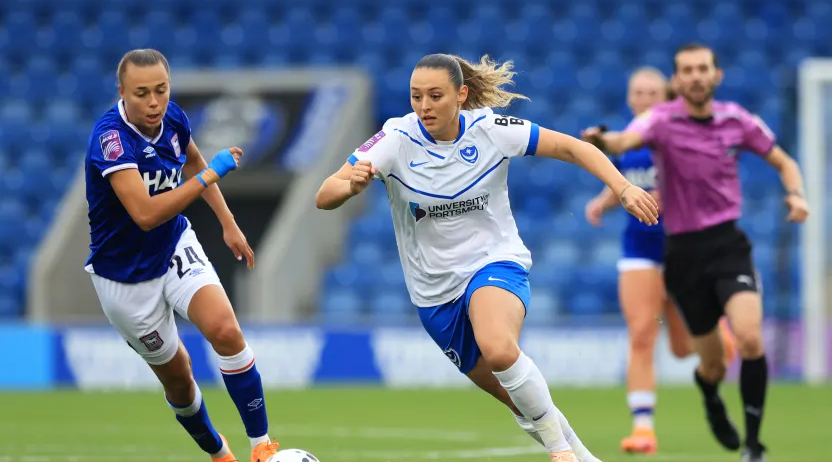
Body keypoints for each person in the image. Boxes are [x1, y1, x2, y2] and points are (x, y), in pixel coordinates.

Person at [316, 53, 659, 462]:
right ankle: (582, 457)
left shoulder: (491, 129)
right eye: (416, 97)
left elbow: (571, 148)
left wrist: (623, 189)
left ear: (461, 95)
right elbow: (324, 194)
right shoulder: (394, 139)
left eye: (435, 96)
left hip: (494, 263)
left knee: (498, 348)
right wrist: (350, 186)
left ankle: (561, 452)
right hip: (434, 295)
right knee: (522, 402)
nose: (424, 106)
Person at [582, 43, 809, 462]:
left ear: (716, 75)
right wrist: (602, 140)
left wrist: (797, 195)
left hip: (728, 244)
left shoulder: (737, 119)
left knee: (751, 337)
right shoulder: (661, 122)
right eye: (687, 70)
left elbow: (783, 161)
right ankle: (709, 392)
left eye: (703, 68)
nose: (696, 76)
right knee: (711, 363)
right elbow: (625, 140)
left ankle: (754, 444)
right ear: (678, 80)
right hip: (682, 254)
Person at [84, 49, 280, 462]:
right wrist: (212, 174)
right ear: (122, 92)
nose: (154, 102)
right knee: (179, 379)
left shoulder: (173, 117)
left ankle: (262, 447)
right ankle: (218, 452)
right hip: (124, 280)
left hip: (173, 246)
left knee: (226, 331)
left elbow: (193, 162)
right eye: (142, 93)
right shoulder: (111, 139)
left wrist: (227, 221)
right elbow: (145, 214)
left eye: (161, 90)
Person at [584, 67, 737, 455]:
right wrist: (603, 202)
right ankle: (643, 429)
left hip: (683, 250)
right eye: (639, 91)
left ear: (666, 96)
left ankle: (719, 333)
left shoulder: (676, 136)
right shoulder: (626, 141)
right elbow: (621, 178)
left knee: (685, 349)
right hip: (639, 250)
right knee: (641, 334)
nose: (645, 97)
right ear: (630, 97)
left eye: (654, 92)